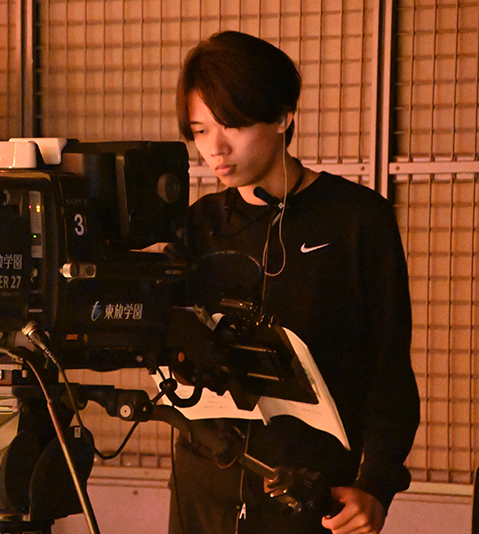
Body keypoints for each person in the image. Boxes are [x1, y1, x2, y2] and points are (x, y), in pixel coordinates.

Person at [169, 31, 420, 534]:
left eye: (233, 125)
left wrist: (376, 484)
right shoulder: (196, 226)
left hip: (312, 494)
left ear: (283, 117)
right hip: (203, 491)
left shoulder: (356, 220)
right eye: (199, 131)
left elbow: (388, 367)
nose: (214, 148)